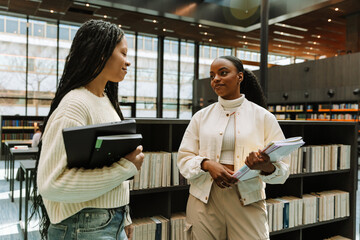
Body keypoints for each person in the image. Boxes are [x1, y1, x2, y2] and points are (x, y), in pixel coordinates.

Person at [32, 19, 144, 240]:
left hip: (110, 220)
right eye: (122, 53)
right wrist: (126, 168)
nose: (127, 62)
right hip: (83, 225)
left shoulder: (106, 101)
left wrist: (125, 215)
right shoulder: (75, 104)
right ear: (101, 54)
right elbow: (51, 184)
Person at [177, 56, 290, 240]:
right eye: (212, 75)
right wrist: (207, 164)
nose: (216, 79)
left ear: (239, 77)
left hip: (247, 198)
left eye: (223, 73)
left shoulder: (263, 117)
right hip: (204, 199)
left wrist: (265, 166)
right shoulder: (200, 117)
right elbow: (183, 160)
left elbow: (284, 171)